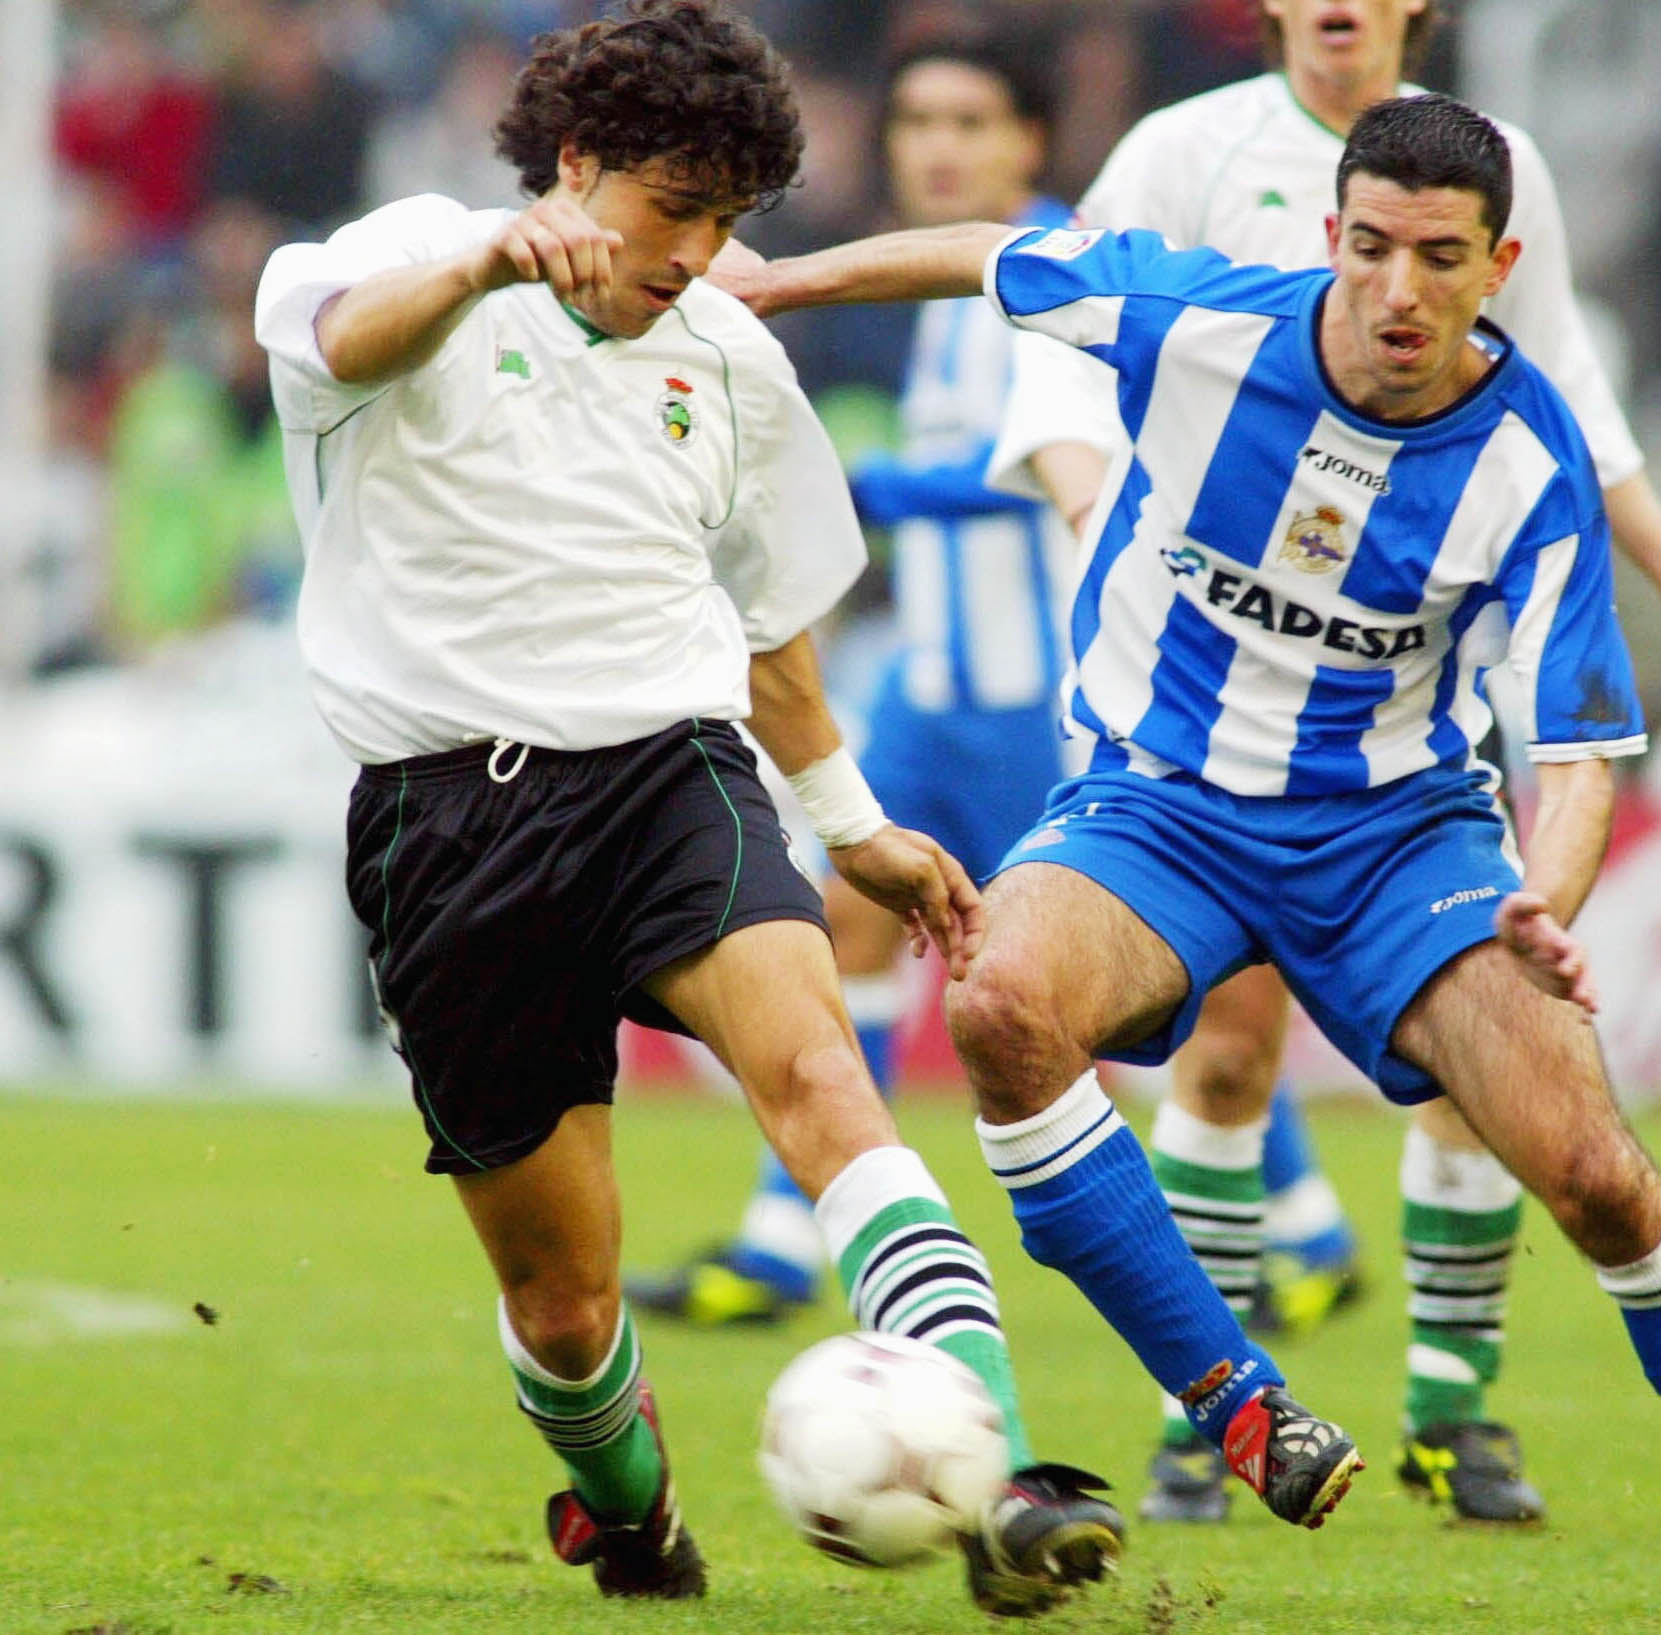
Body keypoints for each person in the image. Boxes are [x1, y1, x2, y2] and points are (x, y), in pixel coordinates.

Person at [726, 92, 1661, 1621]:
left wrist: (1544, 907)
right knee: (1000, 1002)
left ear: (1499, 264)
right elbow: (995, 253)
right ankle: (1236, 1397)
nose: (1398, 291)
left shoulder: (1532, 457)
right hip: (1159, 805)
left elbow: (1576, 751)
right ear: (1331, 237)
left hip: (1397, 838)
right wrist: (779, 280)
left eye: (1440, 258)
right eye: (1371, 247)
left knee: (1597, 1182)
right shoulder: (1197, 319)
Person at [251, 2, 1121, 1614]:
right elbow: (331, 340)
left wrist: (850, 821)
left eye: (727, 220)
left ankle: (991, 1468)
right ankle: (625, 1511)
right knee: (567, 1307)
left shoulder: (726, 351)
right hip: (449, 824)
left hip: (671, 773)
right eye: (671, 210)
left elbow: (771, 625)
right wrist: (487, 267)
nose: (697, 252)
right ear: (575, 165)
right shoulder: (418, 256)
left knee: (820, 1078)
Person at [984, 0, 1661, 1527]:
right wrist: (1103, 520)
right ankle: (1196, 1417)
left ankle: (1451, 1414)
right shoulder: (1183, 148)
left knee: (1477, 1069)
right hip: (1204, 700)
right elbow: (1068, 350)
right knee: (1226, 1045)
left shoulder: (1494, 166)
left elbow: (1568, 415)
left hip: (1406, 687)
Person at [625, 30, 1079, 1330]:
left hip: (1033, 706)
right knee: (848, 929)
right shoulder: (932, 293)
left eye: (971, 121)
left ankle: (1279, 1235)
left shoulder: (1046, 271)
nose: (938, 146)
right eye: (917, 120)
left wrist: (869, 486)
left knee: (1088, 999)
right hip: (931, 694)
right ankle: (786, 1236)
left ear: (1029, 143)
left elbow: (1056, 462)